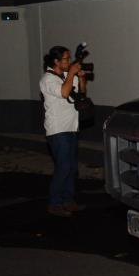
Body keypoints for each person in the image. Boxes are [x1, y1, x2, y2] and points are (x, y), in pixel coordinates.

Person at [40, 45, 88, 217]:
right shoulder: (47, 79)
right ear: (56, 61)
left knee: (72, 167)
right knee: (63, 167)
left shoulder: (68, 75)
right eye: (66, 59)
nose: (69, 62)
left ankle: (68, 201)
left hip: (72, 127)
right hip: (57, 129)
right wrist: (73, 74)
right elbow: (63, 92)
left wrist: (81, 78)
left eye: (69, 59)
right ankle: (54, 203)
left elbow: (81, 93)